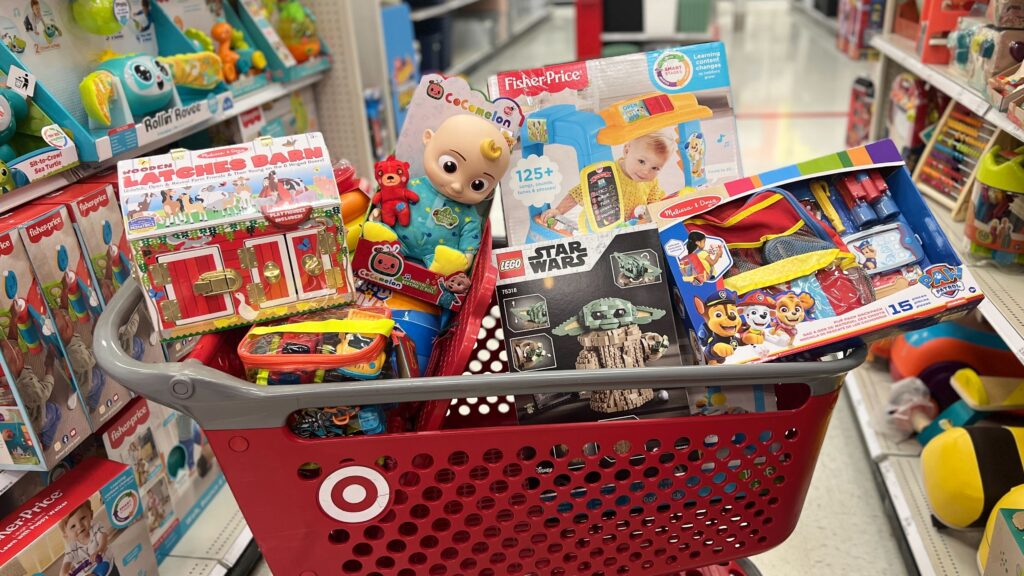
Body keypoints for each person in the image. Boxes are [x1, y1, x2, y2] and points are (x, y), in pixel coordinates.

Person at [540, 132, 674, 225]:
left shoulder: (651, 181)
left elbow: (654, 202)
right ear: (627, 151)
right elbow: (579, 193)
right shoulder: (607, 173)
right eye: (641, 161)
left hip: (633, 226)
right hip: (604, 225)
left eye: (655, 168)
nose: (646, 171)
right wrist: (558, 211)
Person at [60, 500, 118, 576]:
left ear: (91, 515)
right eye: (73, 526)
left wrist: (100, 549)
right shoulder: (71, 548)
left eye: (83, 518)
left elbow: (103, 537)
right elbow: (65, 564)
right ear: (65, 534)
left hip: (109, 569)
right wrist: (64, 573)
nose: (80, 526)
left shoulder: (96, 528)